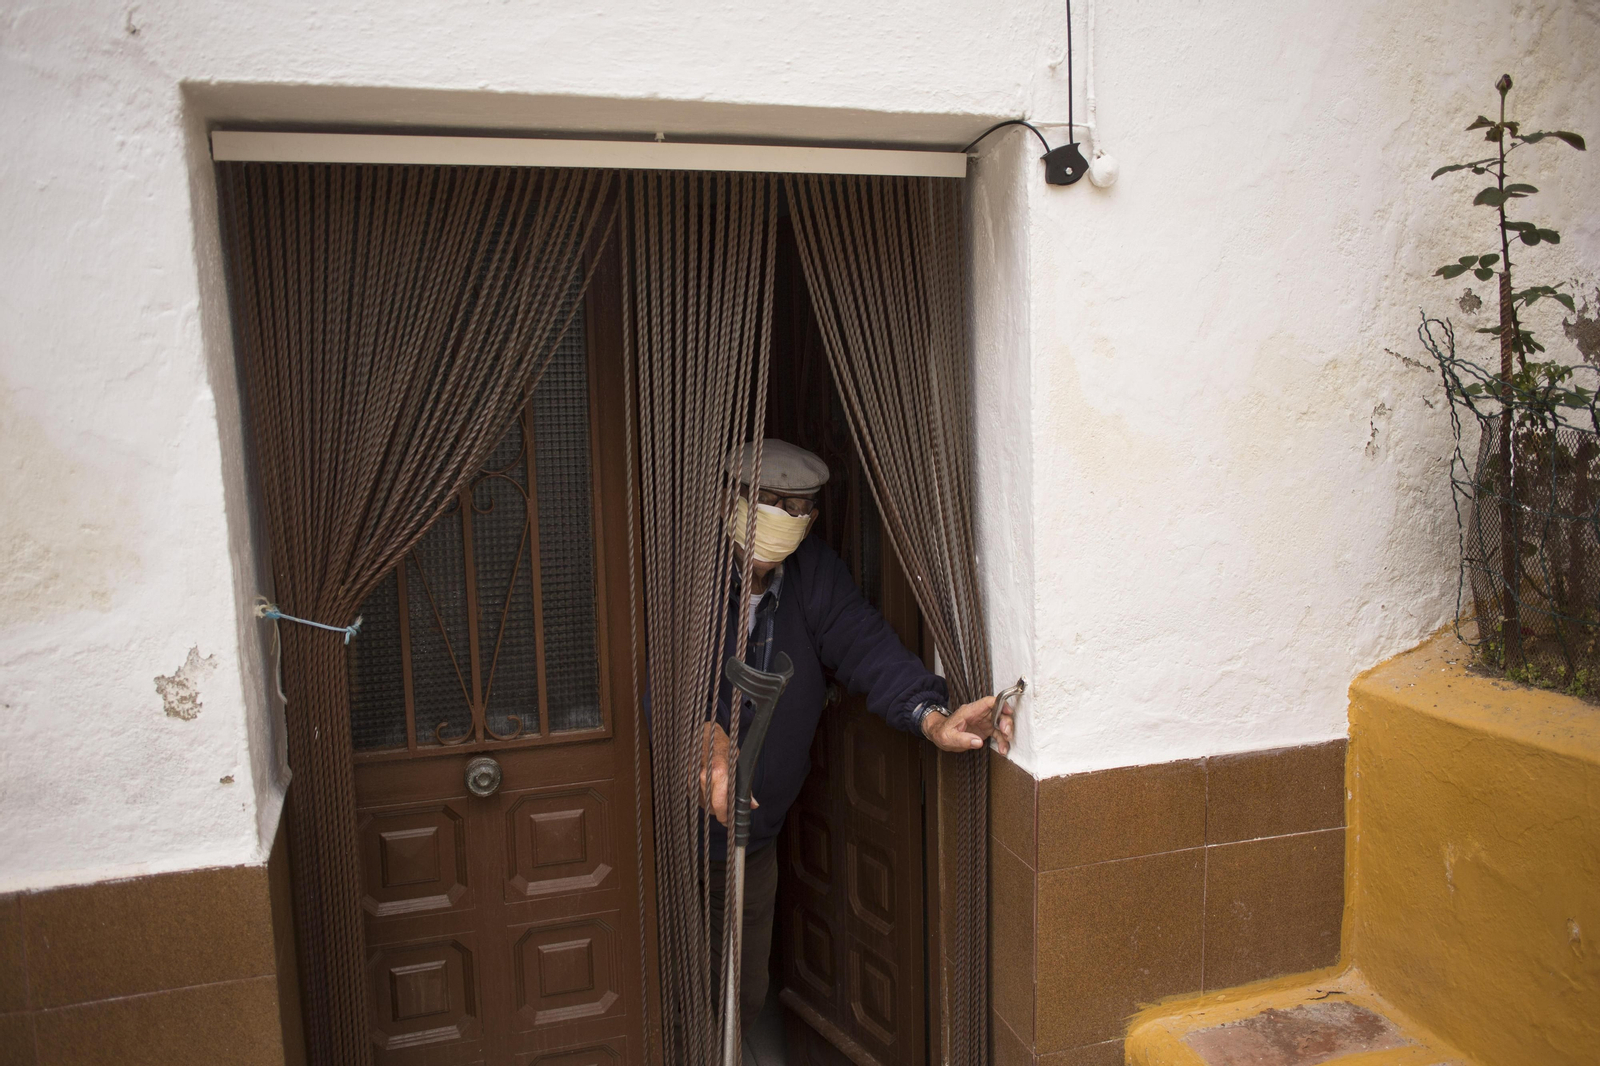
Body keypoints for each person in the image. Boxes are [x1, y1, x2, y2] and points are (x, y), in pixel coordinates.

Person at [701, 439, 1015, 1043]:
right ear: (727, 501)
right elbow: (668, 685)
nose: (780, 516)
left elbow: (864, 645)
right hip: (666, 830)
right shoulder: (692, 571)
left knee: (739, 987)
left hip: (754, 837)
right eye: (765, 501)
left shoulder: (812, 571)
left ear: (812, 519)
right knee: (667, 974)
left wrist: (931, 716)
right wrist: (711, 752)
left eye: (795, 506)